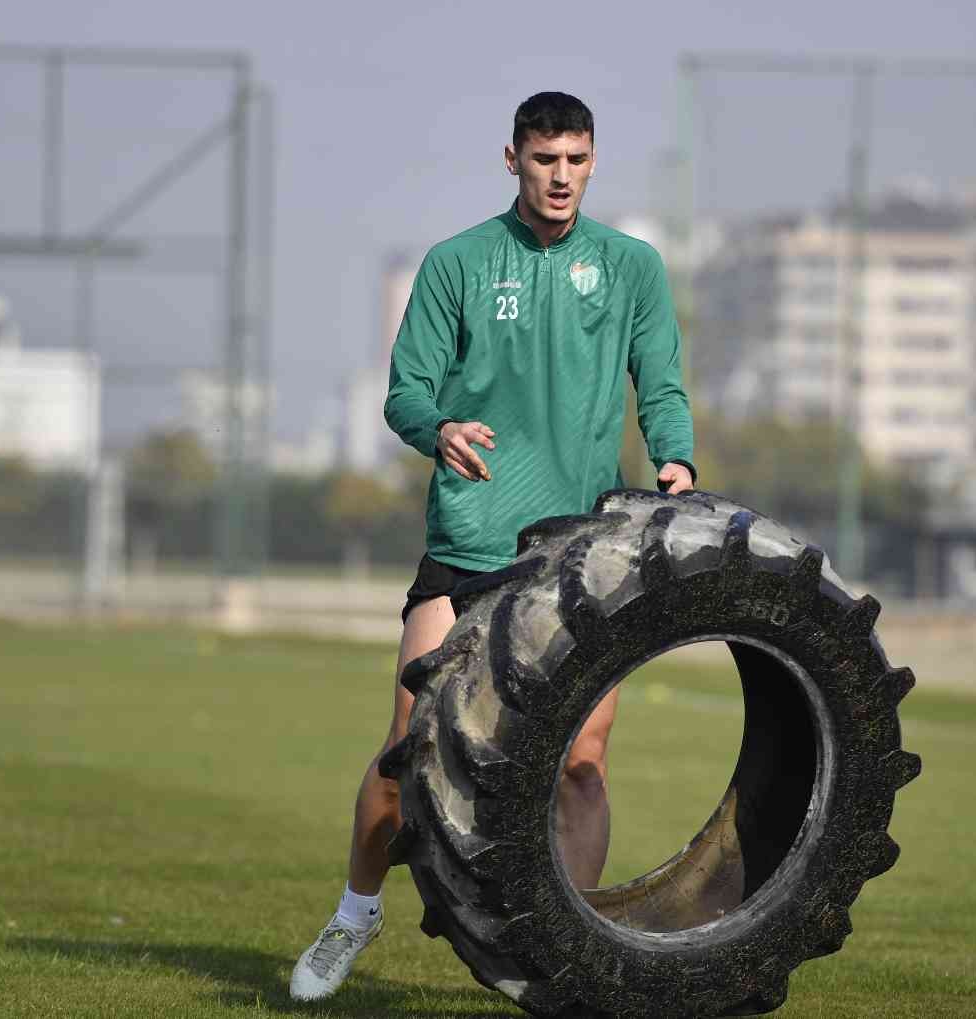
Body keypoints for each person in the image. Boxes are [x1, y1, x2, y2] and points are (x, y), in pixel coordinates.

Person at [290, 91, 697, 1002]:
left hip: (583, 551)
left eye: (577, 160)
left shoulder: (631, 266)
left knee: (582, 763)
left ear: (593, 163)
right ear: (511, 159)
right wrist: (438, 428)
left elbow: (660, 381)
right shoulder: (456, 264)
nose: (561, 177)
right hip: (470, 539)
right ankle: (354, 912)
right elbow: (404, 392)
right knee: (405, 752)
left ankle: (564, 960)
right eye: (545, 159)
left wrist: (674, 456)